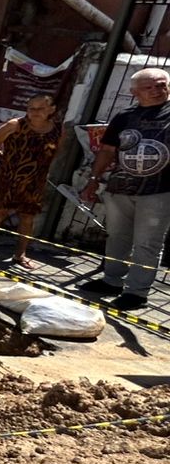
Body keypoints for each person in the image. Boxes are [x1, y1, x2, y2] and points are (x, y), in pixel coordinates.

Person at [80, 67, 170, 311]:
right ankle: (112, 281)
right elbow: (107, 151)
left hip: (159, 191)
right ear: (134, 92)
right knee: (117, 237)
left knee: (147, 243)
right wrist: (93, 179)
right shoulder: (124, 117)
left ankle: (137, 293)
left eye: (161, 85)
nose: (157, 90)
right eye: (149, 87)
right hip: (120, 187)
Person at [0, 94, 61, 268]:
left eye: (41, 108)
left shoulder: (57, 130)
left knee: (27, 218)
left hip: (35, 182)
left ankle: (20, 255)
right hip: (9, 179)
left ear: (51, 110)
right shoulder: (15, 125)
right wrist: (6, 161)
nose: (35, 112)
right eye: (31, 108)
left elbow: (55, 153)